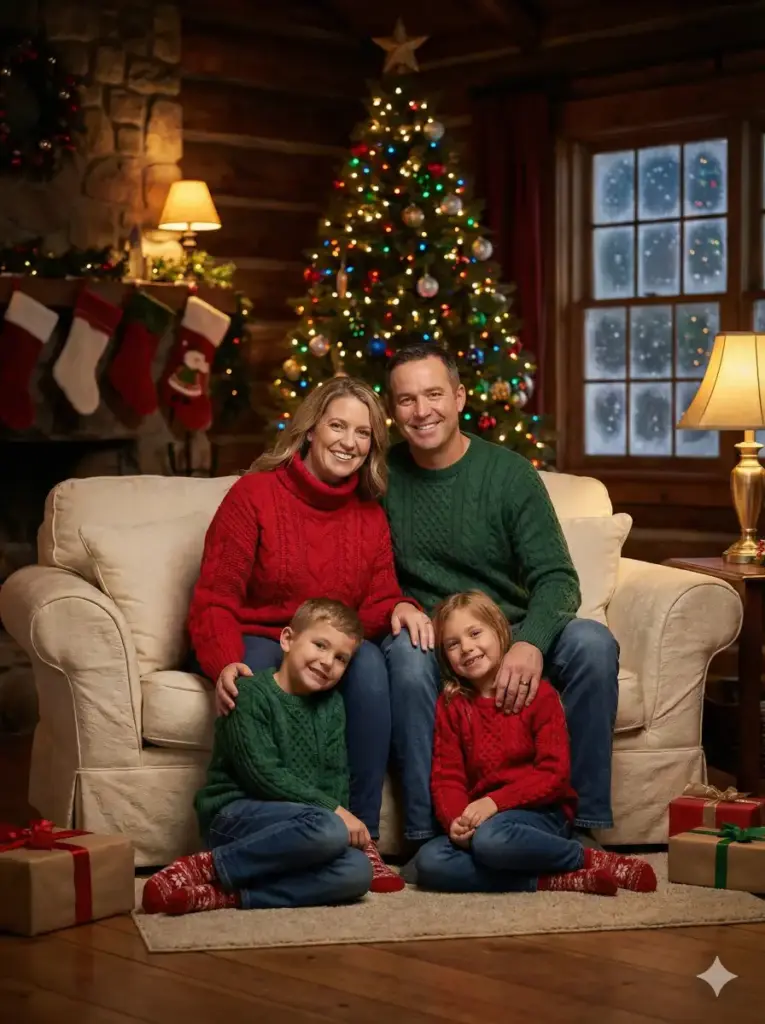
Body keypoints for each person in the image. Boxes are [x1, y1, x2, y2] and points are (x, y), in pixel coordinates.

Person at [189, 376, 431, 892]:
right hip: (258, 634)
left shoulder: (368, 514)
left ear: (372, 447)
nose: (348, 442)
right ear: (309, 430)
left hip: (331, 641)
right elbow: (215, 596)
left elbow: (377, 600)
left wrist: (403, 608)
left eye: (362, 433)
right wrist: (224, 659)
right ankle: (282, 827)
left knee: (367, 666)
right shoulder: (253, 495)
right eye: (337, 425)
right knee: (263, 678)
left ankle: (360, 836)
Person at [381, 343, 620, 853]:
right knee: (404, 658)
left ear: (460, 397)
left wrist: (529, 642)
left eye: (434, 394)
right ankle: (428, 835)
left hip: (511, 630)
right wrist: (397, 604)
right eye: (406, 400)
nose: (422, 411)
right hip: (435, 638)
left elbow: (558, 578)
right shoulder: (381, 478)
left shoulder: (509, 474)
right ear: (391, 409)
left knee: (592, 645)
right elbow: (361, 570)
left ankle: (581, 827)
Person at [143, 600, 380, 914]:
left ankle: (227, 895)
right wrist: (335, 813)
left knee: (356, 873)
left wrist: (343, 822)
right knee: (329, 827)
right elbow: (261, 774)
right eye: (320, 645)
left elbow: (334, 776)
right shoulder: (251, 692)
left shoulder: (332, 706)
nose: (327, 662)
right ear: (287, 639)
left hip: (302, 829)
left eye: (340, 658)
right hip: (237, 818)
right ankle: (209, 866)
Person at [415, 592, 656, 895]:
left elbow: (553, 775)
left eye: (475, 633)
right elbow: (447, 776)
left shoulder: (539, 696)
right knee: (429, 863)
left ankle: (588, 858)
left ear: (500, 632)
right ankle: (554, 879)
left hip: (540, 814)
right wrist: (457, 820)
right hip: (481, 819)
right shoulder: (452, 705)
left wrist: (494, 804)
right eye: (452, 644)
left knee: (492, 841)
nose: (466, 647)